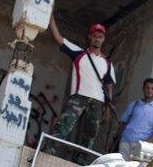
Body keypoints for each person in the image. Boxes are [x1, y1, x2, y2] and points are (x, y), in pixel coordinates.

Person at [46, 16, 115, 156]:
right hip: (79, 96)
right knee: (64, 124)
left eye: (100, 36)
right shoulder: (78, 53)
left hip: (98, 101)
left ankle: (81, 161)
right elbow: (58, 38)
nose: (97, 39)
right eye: (94, 36)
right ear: (90, 37)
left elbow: (108, 86)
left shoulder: (107, 63)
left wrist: (107, 108)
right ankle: (49, 150)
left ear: (103, 39)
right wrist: (50, 16)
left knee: (90, 134)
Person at [116, 78, 153, 157]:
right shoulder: (134, 104)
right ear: (143, 89)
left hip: (141, 144)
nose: (149, 90)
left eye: (152, 89)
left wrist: (146, 144)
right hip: (125, 140)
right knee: (121, 166)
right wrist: (117, 138)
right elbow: (123, 123)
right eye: (147, 88)